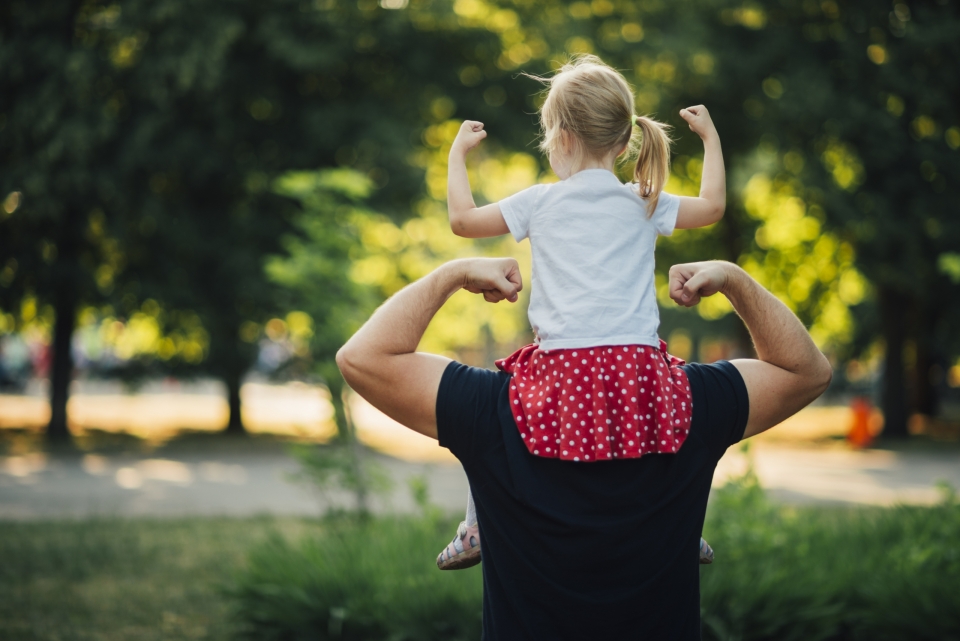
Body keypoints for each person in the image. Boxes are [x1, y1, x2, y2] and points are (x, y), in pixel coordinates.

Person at [337, 257, 832, 640]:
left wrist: (453, 274)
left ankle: (475, 529)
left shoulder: (495, 406)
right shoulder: (689, 402)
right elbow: (805, 371)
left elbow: (362, 358)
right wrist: (733, 281)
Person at [438, 54, 726, 569]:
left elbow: (462, 220)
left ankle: (476, 528)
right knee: (677, 417)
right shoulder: (645, 199)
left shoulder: (539, 203)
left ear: (561, 138)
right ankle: (684, 527)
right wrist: (710, 140)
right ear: (623, 141)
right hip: (636, 365)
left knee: (491, 417)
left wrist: (457, 153)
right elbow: (712, 206)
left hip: (562, 367)